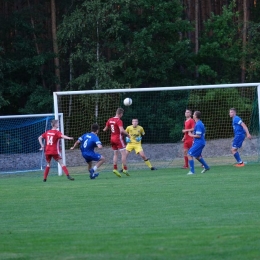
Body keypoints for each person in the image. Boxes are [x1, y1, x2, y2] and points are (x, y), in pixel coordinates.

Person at [103, 108, 130, 177]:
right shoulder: (119, 121)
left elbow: (105, 129)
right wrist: (128, 134)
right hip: (118, 138)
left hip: (112, 138)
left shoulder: (110, 119)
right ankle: (125, 169)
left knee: (115, 154)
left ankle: (115, 169)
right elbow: (121, 130)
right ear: (120, 114)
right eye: (122, 114)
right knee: (123, 154)